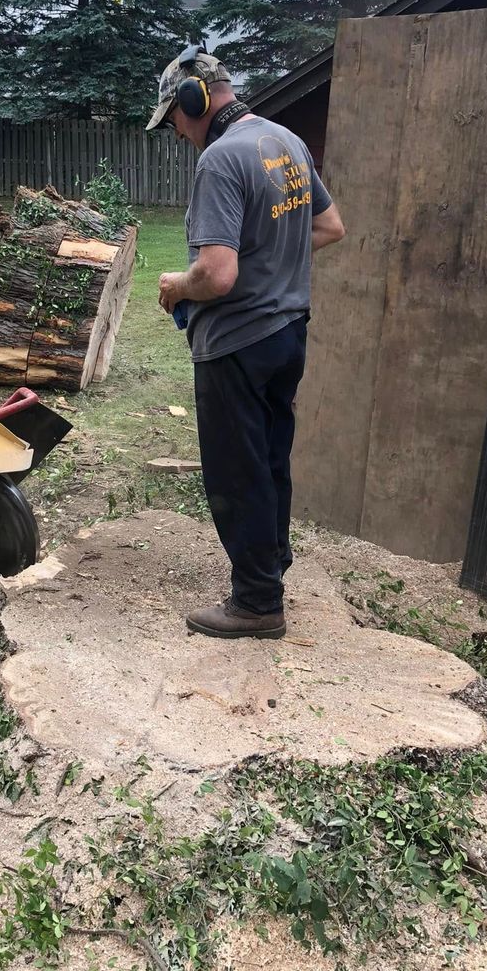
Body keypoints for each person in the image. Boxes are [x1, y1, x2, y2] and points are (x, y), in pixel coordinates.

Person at [147, 45, 345, 639]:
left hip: (236, 342)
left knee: (237, 471)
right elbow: (330, 226)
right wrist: (272, 262)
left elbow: (216, 274)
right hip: (288, 333)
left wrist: (174, 286)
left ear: (193, 100)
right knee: (270, 458)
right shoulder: (285, 142)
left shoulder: (220, 160)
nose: (179, 134)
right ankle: (272, 565)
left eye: (176, 120)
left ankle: (258, 603)